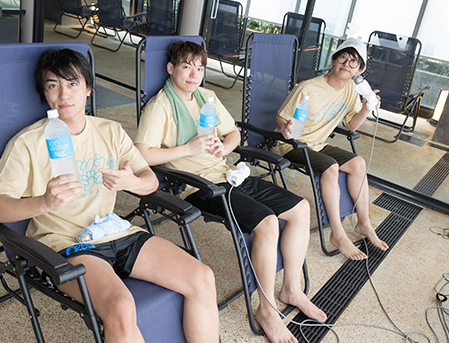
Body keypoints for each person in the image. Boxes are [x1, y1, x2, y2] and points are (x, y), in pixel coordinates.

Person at [0, 48, 219, 343]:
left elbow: (149, 182)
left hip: (115, 230)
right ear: (44, 92)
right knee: (121, 306)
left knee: (202, 278)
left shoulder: (110, 131)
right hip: (67, 244)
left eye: (73, 83)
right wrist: (44, 203)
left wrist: (131, 182)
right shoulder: (28, 143)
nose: (64, 94)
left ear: (88, 89)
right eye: (53, 85)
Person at [134, 41, 327, 343]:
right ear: (171, 68)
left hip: (229, 174)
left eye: (200, 68)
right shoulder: (161, 106)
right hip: (201, 186)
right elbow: (142, 153)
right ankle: (267, 310)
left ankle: (291, 288)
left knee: (301, 209)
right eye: (186, 66)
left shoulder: (207, 98)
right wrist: (188, 148)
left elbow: (233, 133)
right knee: (267, 222)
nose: (194, 74)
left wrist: (223, 148)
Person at [273, 38, 389, 261]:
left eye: (354, 61)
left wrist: (367, 107)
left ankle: (364, 223)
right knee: (331, 167)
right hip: (293, 144)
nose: (347, 64)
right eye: (343, 57)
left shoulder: (350, 90)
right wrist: (284, 126)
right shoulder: (308, 88)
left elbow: (352, 125)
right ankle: (337, 233)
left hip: (318, 144)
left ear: (359, 70)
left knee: (358, 163)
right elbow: (280, 116)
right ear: (334, 60)